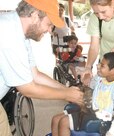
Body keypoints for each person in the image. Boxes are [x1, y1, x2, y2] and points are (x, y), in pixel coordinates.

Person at [0, 0, 83, 135]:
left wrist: (66, 89)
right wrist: (67, 94)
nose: (50, 31)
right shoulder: (9, 33)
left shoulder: (20, 32)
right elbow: (27, 88)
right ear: (34, 15)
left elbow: (35, 75)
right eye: (49, 24)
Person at [51, 52, 114, 136]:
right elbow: (89, 89)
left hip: (103, 119)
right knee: (56, 119)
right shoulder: (99, 77)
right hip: (90, 110)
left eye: (102, 66)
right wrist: (85, 82)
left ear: (113, 70)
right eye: (99, 63)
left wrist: (111, 133)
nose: (98, 66)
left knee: (64, 122)